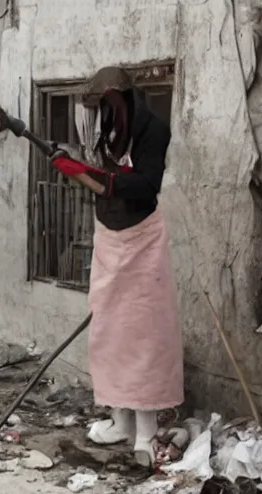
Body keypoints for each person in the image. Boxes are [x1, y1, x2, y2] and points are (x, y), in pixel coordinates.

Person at [50, 67, 183, 467]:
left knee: (143, 333)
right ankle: (119, 419)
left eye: (102, 105)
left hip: (142, 240)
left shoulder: (153, 131)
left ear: (119, 99)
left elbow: (146, 184)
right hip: (109, 238)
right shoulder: (103, 130)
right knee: (109, 331)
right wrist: (73, 164)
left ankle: (145, 431)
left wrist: (99, 180)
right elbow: (95, 168)